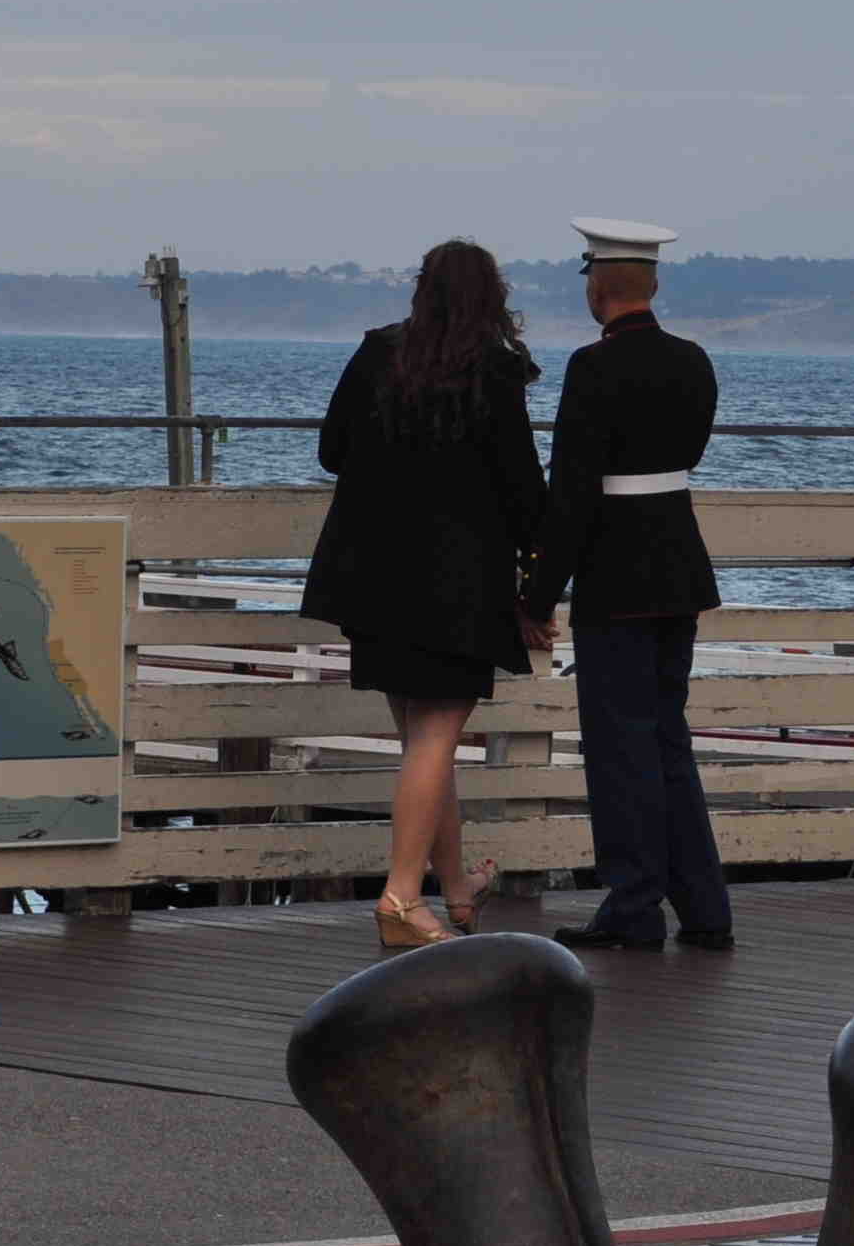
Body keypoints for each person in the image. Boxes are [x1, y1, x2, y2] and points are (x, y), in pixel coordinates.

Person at [298, 241, 546, 948]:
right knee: (436, 738)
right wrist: (537, 589)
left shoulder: (378, 351)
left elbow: (331, 451)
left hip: (373, 576)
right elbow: (523, 489)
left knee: (423, 743)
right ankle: (402, 898)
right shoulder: (494, 369)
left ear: (421, 289)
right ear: (491, 297)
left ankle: (456, 887)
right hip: (458, 584)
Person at [522, 216, 731, 955]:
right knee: (668, 738)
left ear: (597, 288)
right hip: (679, 565)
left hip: (616, 573)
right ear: (653, 284)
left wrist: (537, 594)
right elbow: (689, 455)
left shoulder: (593, 368)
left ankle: (634, 905)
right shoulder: (694, 361)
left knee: (620, 747)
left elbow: (572, 493)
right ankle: (704, 907)